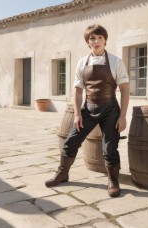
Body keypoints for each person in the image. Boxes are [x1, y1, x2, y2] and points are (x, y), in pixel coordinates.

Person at [45, 24, 129, 197]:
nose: (96, 41)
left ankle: (113, 180)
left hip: (110, 109)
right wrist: (77, 114)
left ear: (105, 40)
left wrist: (122, 116)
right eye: (92, 38)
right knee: (71, 141)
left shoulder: (116, 61)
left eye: (100, 37)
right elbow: (77, 91)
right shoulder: (82, 63)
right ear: (87, 42)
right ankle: (62, 174)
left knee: (110, 148)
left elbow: (126, 90)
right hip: (88, 108)